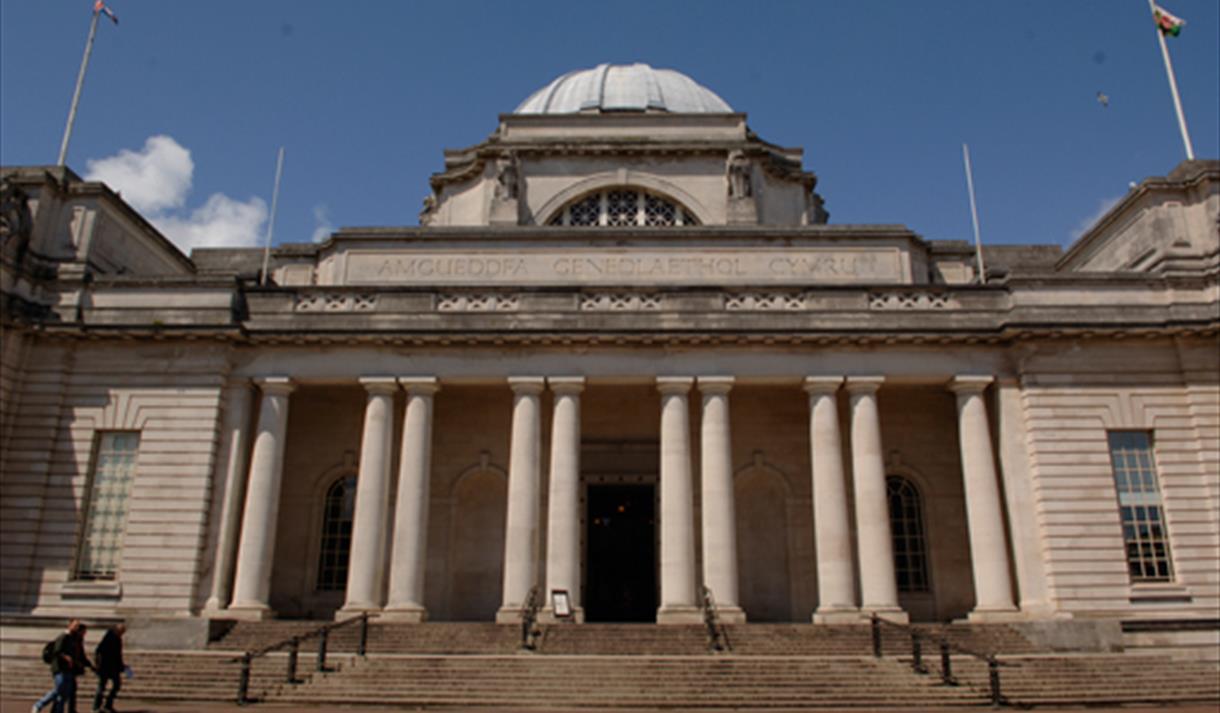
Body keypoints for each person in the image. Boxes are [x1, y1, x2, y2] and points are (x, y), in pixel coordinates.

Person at [32, 619, 92, 713]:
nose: (76, 628)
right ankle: (39, 704)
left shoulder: (74, 638)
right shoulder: (63, 636)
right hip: (59, 668)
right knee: (59, 689)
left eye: (77, 626)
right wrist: (66, 657)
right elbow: (57, 651)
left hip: (69, 669)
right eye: (75, 625)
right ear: (70, 625)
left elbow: (79, 655)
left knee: (64, 694)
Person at [92, 623, 126, 713]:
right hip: (105, 667)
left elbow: (118, 655)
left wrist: (121, 665)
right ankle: (96, 706)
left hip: (113, 667)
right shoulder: (109, 638)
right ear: (117, 630)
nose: (122, 634)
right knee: (102, 687)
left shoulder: (117, 639)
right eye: (121, 631)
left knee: (116, 685)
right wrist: (98, 664)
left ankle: (107, 704)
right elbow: (99, 652)